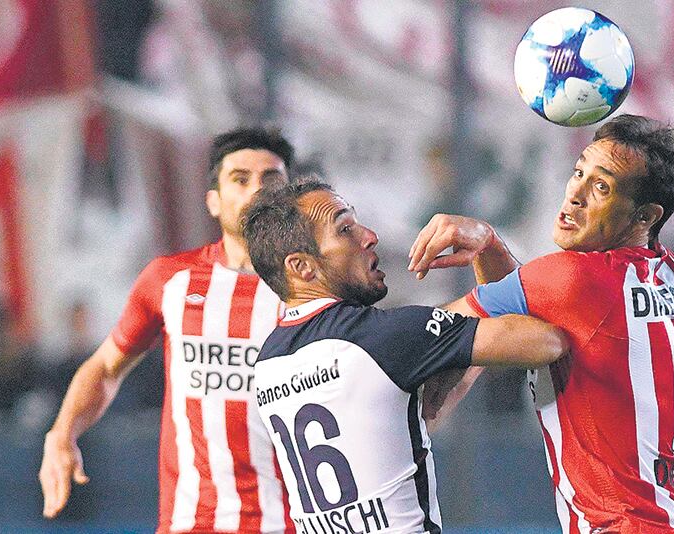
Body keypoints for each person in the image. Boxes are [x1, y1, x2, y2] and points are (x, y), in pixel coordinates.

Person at [407, 114, 674, 533]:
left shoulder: (578, 278)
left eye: (601, 187)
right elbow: (541, 303)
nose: (574, 196)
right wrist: (489, 244)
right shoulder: (667, 274)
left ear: (644, 217)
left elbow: (437, 329)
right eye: (578, 172)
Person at [242, 180, 569, 533]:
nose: (369, 236)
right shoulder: (381, 338)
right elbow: (547, 341)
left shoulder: (269, 360)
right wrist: (488, 243)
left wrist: (452, 333)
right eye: (345, 229)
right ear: (302, 267)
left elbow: (415, 413)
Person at [39, 127, 297, 533]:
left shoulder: (317, 287)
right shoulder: (170, 279)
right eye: (240, 179)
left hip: (295, 523)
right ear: (213, 201)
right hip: (191, 523)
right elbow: (106, 367)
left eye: (271, 179)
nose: (256, 191)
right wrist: (62, 433)